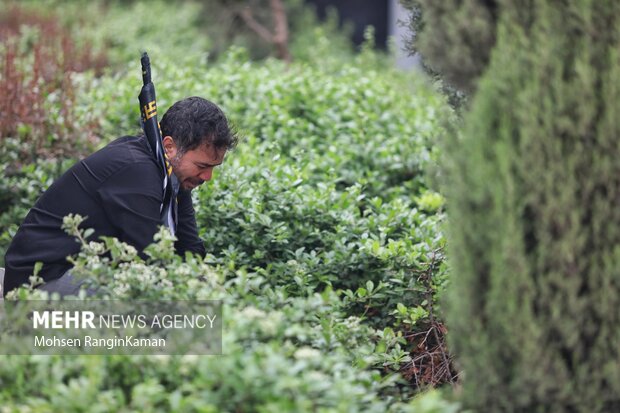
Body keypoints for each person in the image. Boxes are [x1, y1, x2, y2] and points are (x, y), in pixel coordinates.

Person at [3, 96, 237, 297]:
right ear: (169, 147)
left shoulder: (172, 172)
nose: (208, 177)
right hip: (37, 283)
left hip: (78, 270)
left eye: (213, 168)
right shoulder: (136, 169)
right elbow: (150, 257)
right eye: (202, 166)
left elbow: (190, 249)